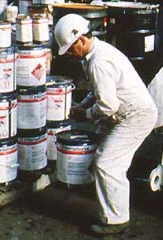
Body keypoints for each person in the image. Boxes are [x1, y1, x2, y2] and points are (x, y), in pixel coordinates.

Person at [54, 14, 158, 236]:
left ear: (81, 40)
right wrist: (81, 105)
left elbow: (108, 106)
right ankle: (103, 192)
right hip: (125, 112)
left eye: (71, 49)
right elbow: (98, 91)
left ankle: (116, 218)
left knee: (107, 163)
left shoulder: (98, 62)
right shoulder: (95, 54)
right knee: (101, 145)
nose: (70, 54)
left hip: (135, 116)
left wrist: (87, 114)